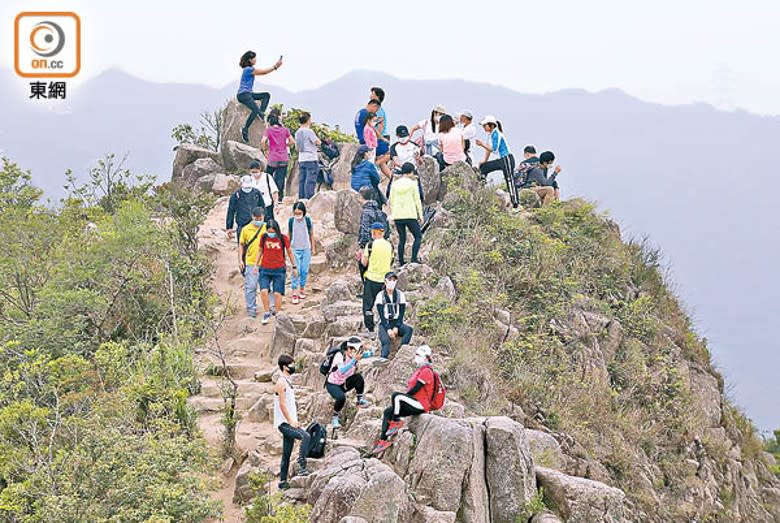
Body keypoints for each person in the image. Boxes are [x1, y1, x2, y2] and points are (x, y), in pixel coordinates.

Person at [372, 345, 436, 454]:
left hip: (421, 404)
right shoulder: (420, 370)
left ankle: (397, 421)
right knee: (388, 411)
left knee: (396, 396)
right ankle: (383, 440)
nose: (416, 357)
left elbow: (416, 388)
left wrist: (404, 397)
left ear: (426, 358)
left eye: (419, 355)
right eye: (416, 355)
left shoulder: (427, 371)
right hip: (413, 402)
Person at [274, 354, 310, 490]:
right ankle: (302, 465)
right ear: (285, 367)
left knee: (287, 453)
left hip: (289, 421)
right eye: (291, 365)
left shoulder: (287, 381)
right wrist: (290, 421)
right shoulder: (281, 382)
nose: (293, 367)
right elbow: (282, 405)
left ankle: (282, 482)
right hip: (284, 423)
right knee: (305, 436)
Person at [253, 219, 296, 324]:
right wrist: (255, 264)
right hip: (265, 269)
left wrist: (294, 266)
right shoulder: (263, 237)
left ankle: (277, 313)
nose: (271, 234)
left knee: (277, 293)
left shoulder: (283, 238)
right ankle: (267, 312)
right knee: (263, 291)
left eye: (273, 232)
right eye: (269, 232)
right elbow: (260, 251)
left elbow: (289, 252)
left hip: (279, 269)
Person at [237, 51, 283, 144]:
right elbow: (264, 72)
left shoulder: (250, 69)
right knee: (255, 110)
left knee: (266, 95)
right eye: (254, 58)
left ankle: (261, 113)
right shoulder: (248, 69)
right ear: (250, 59)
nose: (256, 60)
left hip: (249, 93)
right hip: (243, 94)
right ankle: (245, 129)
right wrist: (275, 67)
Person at [326, 336, 371, 429]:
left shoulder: (355, 355)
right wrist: (354, 360)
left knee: (358, 377)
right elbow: (342, 370)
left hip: (344, 382)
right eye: (354, 350)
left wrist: (369, 349)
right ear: (349, 349)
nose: (356, 353)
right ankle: (335, 417)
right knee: (341, 397)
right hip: (333, 384)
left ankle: (360, 400)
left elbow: (370, 354)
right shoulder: (339, 355)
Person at [361, 222, 393, 336]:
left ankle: (370, 330)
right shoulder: (389, 245)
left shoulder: (370, 245)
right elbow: (390, 261)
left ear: (374, 232)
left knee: (368, 306)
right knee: (383, 305)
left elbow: (364, 262)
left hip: (371, 278)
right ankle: (384, 327)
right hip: (385, 280)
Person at [476, 115, 516, 204]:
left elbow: (494, 149)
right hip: (502, 160)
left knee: (509, 179)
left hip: (507, 159)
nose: (483, 127)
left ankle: (515, 202)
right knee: (484, 167)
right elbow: (488, 150)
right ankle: (480, 190)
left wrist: (481, 144)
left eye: (485, 125)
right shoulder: (490, 135)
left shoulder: (496, 133)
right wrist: (484, 161)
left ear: (491, 125)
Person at [389, 163, 423, 265]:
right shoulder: (413, 184)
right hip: (410, 214)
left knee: (402, 238)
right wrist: (420, 215)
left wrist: (393, 213)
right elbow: (417, 200)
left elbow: (392, 200)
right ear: (411, 172)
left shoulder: (394, 184)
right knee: (418, 236)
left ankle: (401, 261)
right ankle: (413, 258)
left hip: (398, 215)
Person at [375, 272, 413, 359]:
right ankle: (383, 358)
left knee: (409, 330)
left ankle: (401, 352)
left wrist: (396, 326)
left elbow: (401, 313)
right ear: (385, 282)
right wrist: (388, 329)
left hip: (396, 321)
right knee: (386, 342)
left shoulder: (400, 295)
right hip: (384, 323)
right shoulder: (380, 296)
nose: (392, 282)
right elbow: (381, 315)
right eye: (390, 280)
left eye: (394, 280)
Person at [357, 186, 390, 283]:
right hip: (382, 243)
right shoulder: (380, 211)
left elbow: (364, 230)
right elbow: (386, 229)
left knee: (364, 267)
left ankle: (367, 289)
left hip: (370, 245)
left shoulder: (366, 212)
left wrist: (362, 246)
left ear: (361, 197)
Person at [238, 207, 267, 318]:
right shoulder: (246, 229)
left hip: (266, 262)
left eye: (260, 218)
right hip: (251, 261)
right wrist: (240, 260)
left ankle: (269, 308)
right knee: (251, 286)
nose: (258, 220)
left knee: (268, 287)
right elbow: (241, 245)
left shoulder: (267, 227)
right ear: (252, 217)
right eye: (257, 218)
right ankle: (251, 309)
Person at [287, 201, 315, 305]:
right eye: (296, 213)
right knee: (296, 270)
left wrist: (313, 248)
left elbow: (311, 234)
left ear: (304, 212)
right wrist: (287, 248)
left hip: (306, 248)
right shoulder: (291, 221)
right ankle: (294, 292)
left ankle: (302, 289)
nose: (297, 215)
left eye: (299, 213)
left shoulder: (307, 221)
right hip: (295, 248)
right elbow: (289, 234)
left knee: (304, 270)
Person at [261, 113, 294, 202]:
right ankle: (279, 198)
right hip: (283, 158)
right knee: (281, 178)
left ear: (270, 122)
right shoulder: (285, 130)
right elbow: (292, 141)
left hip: (272, 157)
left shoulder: (268, 130)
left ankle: (268, 195)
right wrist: (285, 144)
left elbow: (263, 141)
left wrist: (265, 150)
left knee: (268, 176)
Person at [226, 175, 266, 243]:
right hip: (242, 224)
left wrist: (265, 221)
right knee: (242, 245)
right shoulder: (236, 195)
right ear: (241, 184)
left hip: (256, 224)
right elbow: (231, 211)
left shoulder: (256, 193)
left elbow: (263, 208)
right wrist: (229, 227)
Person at [295, 112, 321, 199]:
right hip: (311, 158)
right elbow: (317, 142)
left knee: (302, 180)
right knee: (310, 181)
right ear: (308, 120)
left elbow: (297, 147)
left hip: (301, 159)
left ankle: (301, 199)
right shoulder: (309, 131)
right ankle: (309, 200)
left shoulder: (297, 132)